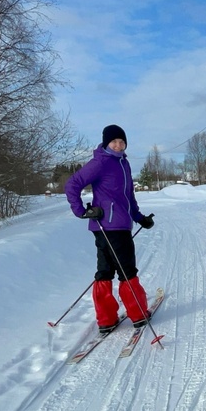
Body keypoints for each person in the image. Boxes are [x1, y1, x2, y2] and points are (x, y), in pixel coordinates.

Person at [65, 124, 156, 336]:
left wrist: (139, 217)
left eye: (121, 142)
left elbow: (128, 197)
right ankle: (138, 314)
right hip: (110, 227)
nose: (118, 145)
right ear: (106, 143)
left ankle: (107, 319)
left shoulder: (123, 164)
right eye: (114, 142)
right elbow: (72, 184)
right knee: (126, 270)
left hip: (113, 225)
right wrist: (81, 211)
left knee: (105, 270)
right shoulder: (101, 162)